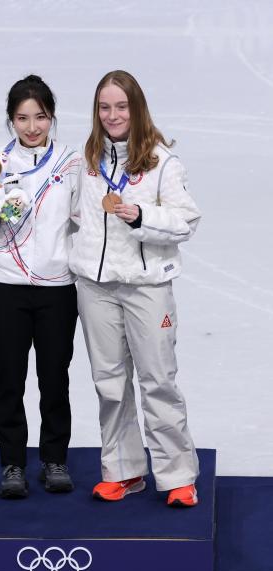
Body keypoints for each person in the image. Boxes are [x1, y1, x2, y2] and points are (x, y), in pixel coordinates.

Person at [70, 70, 200, 508]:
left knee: (158, 380)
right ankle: (123, 471)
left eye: (121, 107)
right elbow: (74, 217)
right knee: (109, 382)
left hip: (146, 287)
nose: (112, 115)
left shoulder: (162, 162)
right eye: (104, 107)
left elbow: (186, 221)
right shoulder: (87, 160)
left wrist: (141, 215)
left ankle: (177, 475)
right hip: (96, 286)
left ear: (137, 108)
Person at [0, 75, 81, 499]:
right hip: (9, 286)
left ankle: (54, 459)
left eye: (40, 117)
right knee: (10, 378)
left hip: (58, 287)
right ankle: (13, 464)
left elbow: (80, 219)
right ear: (11, 120)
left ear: (51, 117)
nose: (32, 127)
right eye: (22, 118)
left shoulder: (71, 162)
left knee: (55, 376)